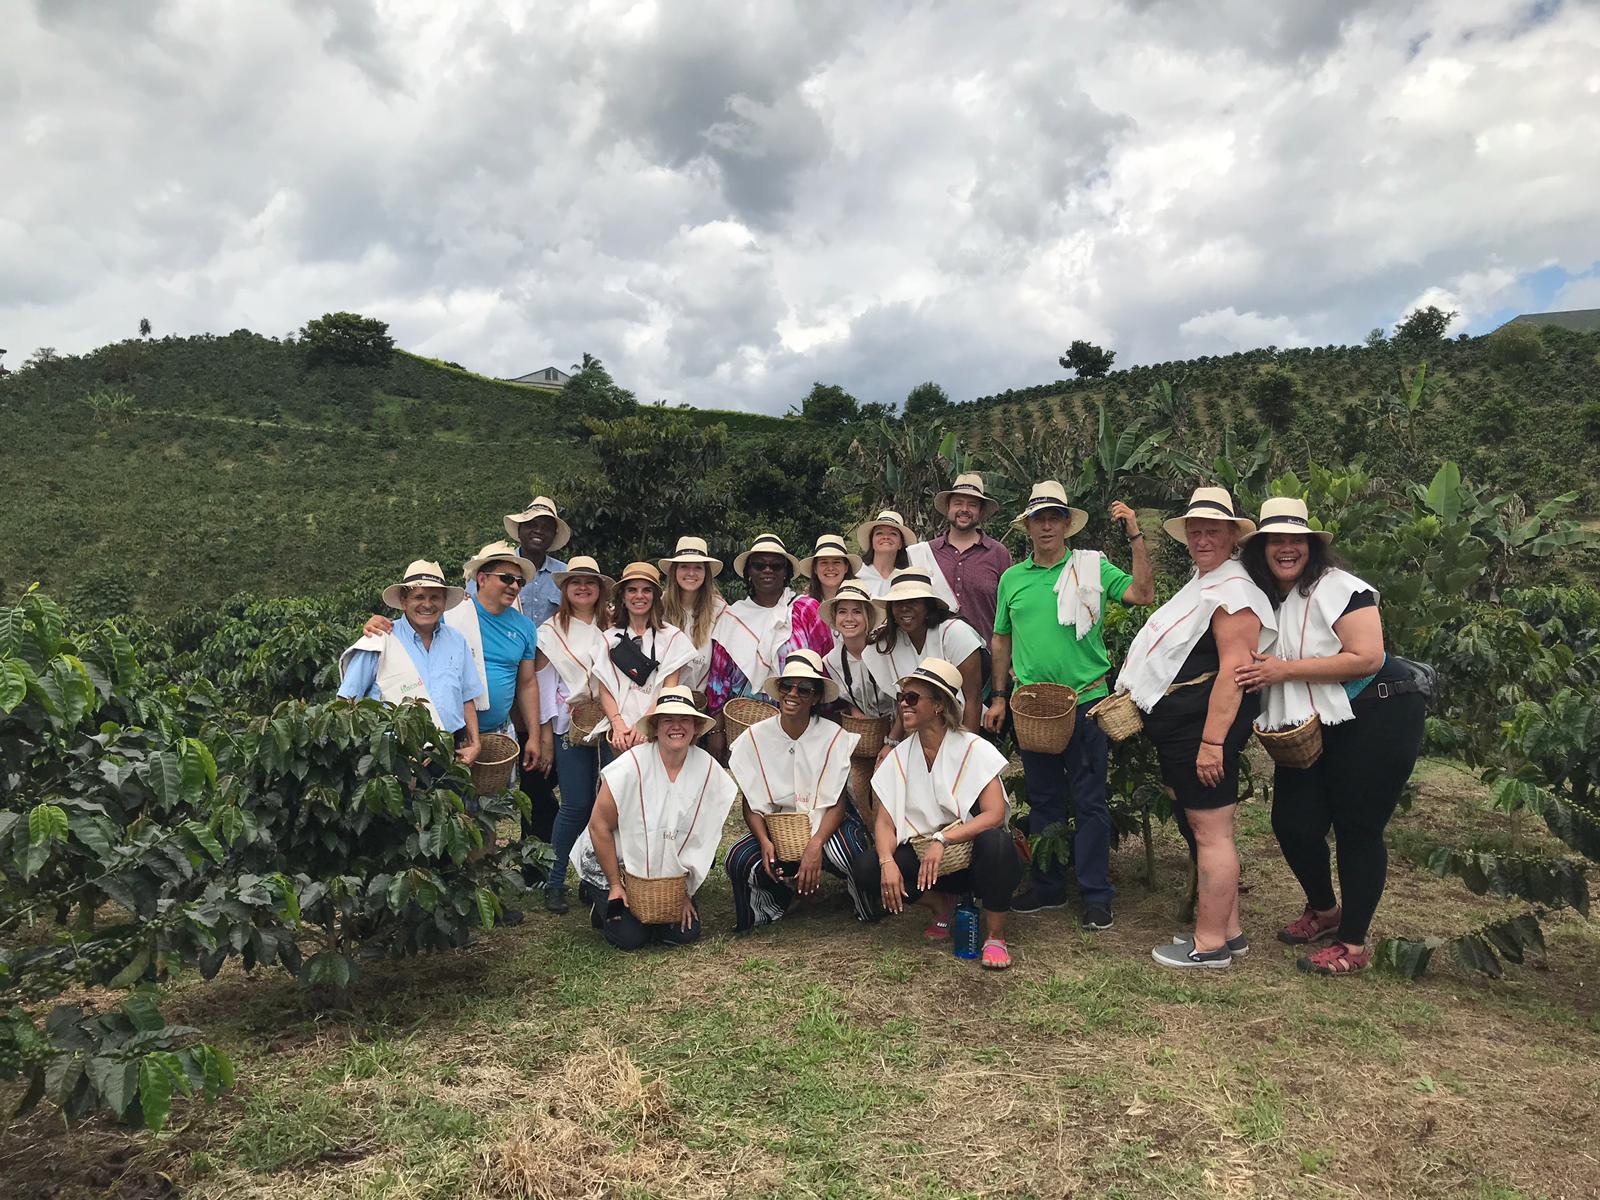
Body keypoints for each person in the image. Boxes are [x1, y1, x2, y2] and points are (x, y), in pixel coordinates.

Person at [1236, 497, 1427, 976]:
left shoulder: (1343, 589)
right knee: (1292, 821)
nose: (1285, 549)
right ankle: (1324, 909)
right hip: (1315, 718)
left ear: (1310, 546)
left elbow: (1366, 656)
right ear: (1261, 550)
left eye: (1293, 540)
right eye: (1274, 541)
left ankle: (1354, 943)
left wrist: (1284, 671)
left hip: (1379, 710)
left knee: (1357, 828)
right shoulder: (1271, 598)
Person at [1116, 488, 1277, 969]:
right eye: (1196, 531)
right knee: (1205, 827)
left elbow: (1233, 671)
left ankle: (1208, 945)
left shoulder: (1234, 594)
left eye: (1213, 531)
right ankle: (1230, 931)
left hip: (1203, 730)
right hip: (1183, 728)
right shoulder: (1207, 582)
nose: (1203, 538)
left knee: (1212, 833)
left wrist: (1212, 744)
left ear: (1233, 535)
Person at [983, 481, 1153, 931]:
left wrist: (1135, 535)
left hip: (1088, 701)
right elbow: (1002, 639)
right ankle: (1049, 885)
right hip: (1033, 705)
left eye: (1054, 518)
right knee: (1043, 799)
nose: (1046, 526)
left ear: (1066, 525)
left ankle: (1097, 894)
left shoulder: (1091, 569)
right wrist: (998, 695)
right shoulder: (1013, 579)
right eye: (1038, 518)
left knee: (1090, 799)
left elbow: (1141, 594)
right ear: (1029, 527)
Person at [848, 659, 1023, 969]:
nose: (903, 704)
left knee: (997, 843)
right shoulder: (900, 756)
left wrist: (943, 839)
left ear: (939, 706)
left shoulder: (972, 748)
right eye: (901, 698)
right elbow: (885, 823)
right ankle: (942, 906)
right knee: (867, 868)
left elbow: (995, 813)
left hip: (971, 860)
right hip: (928, 863)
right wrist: (887, 862)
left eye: (912, 698)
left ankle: (995, 935)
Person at [571, 688, 737, 950]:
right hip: (618, 864)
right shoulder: (630, 767)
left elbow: (701, 837)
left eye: (684, 720)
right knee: (631, 938)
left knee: (683, 935)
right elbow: (598, 826)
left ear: (695, 727)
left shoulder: (709, 772)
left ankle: (660, 898)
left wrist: (684, 892)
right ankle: (599, 895)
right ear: (655, 727)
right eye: (667, 720)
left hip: (663, 875)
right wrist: (616, 885)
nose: (676, 727)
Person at [725, 651, 876, 928]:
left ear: (816, 698)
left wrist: (815, 844)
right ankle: (778, 897)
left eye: (804, 689)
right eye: (787, 686)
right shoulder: (755, 737)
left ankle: (864, 905)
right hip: (777, 830)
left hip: (825, 826)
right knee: (737, 858)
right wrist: (765, 841)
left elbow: (836, 803)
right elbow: (751, 802)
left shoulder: (833, 737)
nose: (793, 694)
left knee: (850, 852)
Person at [362, 541, 543, 771]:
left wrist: (534, 737)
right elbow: (412, 629)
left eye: (520, 581)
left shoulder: (525, 627)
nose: (514, 587)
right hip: (451, 736)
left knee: (495, 802)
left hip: (499, 732)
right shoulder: (450, 617)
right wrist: (377, 624)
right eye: (506, 578)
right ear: (482, 578)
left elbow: (527, 684)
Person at [338, 559, 484, 764]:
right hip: (395, 753)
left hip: (450, 748)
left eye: (435, 597)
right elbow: (346, 701)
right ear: (404, 601)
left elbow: (466, 696)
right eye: (419, 597)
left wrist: (474, 742)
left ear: (444, 602)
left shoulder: (456, 641)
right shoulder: (379, 640)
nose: (427, 604)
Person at [534, 556, 614, 915]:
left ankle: (595, 878)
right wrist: (548, 734)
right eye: (575, 582)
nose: (583, 588)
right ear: (565, 589)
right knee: (576, 805)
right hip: (571, 726)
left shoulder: (615, 625)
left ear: (599, 589)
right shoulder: (551, 632)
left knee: (609, 806)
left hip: (612, 723)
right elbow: (544, 683)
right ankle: (555, 880)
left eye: (590, 582)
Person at [706, 533, 834, 714]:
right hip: (744, 720)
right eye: (759, 565)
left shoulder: (806, 610)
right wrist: (717, 728)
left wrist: (824, 714)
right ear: (749, 572)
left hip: (800, 719)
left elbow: (825, 664)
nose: (768, 570)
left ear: (786, 572)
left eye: (776, 566)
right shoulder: (732, 617)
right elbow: (718, 677)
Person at [590, 562, 696, 754]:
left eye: (646, 590)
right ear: (623, 596)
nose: (639, 596)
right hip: (618, 736)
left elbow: (670, 688)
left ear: (655, 596)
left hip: (658, 731)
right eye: (632, 590)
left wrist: (645, 725)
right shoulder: (608, 639)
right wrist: (618, 724)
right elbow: (604, 689)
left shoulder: (673, 638)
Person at [864, 569, 984, 736]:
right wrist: (892, 742)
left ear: (928, 606)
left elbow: (973, 699)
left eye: (913, 601)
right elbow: (905, 702)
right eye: (898, 603)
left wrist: (968, 751)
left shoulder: (955, 633)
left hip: (963, 728)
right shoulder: (890, 643)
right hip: (922, 736)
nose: (905, 608)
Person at [928, 473, 1012, 645]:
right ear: (948, 508)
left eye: (972, 504)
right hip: (934, 658)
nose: (964, 509)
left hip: (986, 658)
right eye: (958, 503)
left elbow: (1009, 610)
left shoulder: (998, 554)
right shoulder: (928, 552)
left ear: (980, 512)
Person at [659, 534, 727, 703]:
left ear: (706, 573)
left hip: (700, 702)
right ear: (675, 571)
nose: (691, 573)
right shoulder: (659, 606)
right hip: (660, 700)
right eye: (684, 566)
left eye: (698, 567)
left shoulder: (719, 609)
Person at [853, 509, 960, 611]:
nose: (886, 537)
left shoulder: (909, 575)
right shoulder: (857, 573)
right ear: (871, 541)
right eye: (879, 533)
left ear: (900, 544)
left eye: (893, 534)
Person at [820, 581, 894, 722]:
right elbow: (847, 696)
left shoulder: (886, 650)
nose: (849, 619)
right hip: (867, 733)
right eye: (842, 612)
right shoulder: (832, 661)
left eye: (857, 611)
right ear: (835, 617)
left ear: (868, 617)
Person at [498, 495, 572, 626]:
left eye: (546, 528)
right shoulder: (496, 569)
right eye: (531, 525)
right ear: (520, 531)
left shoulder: (565, 574)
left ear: (553, 536)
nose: (538, 531)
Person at [800, 533, 860, 605]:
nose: (830, 568)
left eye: (836, 562)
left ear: (846, 567)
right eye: (824, 562)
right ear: (815, 568)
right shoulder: (803, 606)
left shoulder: (861, 602)